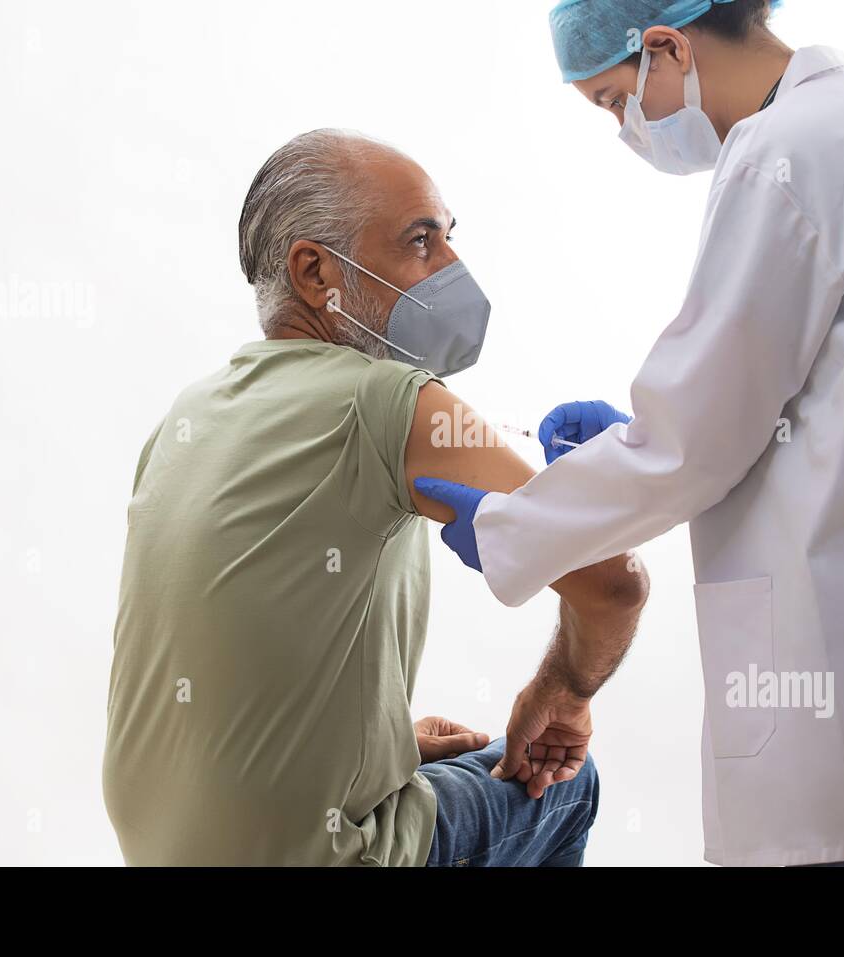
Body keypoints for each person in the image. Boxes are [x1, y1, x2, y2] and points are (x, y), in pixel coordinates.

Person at [415, 0, 844, 866]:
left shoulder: (783, 156)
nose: (626, 128)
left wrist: (512, 528)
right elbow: (830, 400)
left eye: (613, 101)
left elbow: (691, 442)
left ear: (664, 47)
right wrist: (662, 441)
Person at [101, 129, 647, 866]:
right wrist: (564, 692)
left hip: (163, 849)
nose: (452, 267)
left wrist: (375, 748)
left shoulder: (186, 417)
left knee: (446, 762)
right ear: (315, 271)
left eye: (450, 238)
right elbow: (612, 585)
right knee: (568, 788)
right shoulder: (389, 400)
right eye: (421, 242)